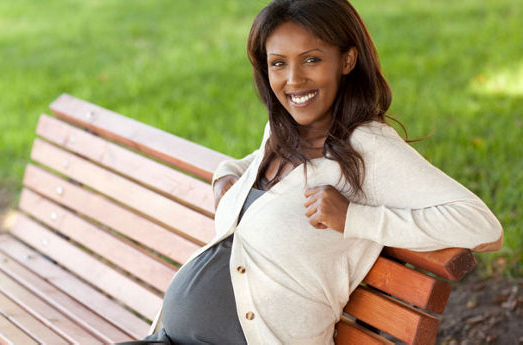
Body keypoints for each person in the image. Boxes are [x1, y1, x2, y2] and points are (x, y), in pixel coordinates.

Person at [127, 0, 505, 344]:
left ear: (346, 60)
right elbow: (253, 167)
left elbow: (482, 226)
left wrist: (353, 218)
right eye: (279, 63)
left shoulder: (368, 148)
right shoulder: (282, 130)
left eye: (311, 60)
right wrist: (226, 175)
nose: (293, 80)